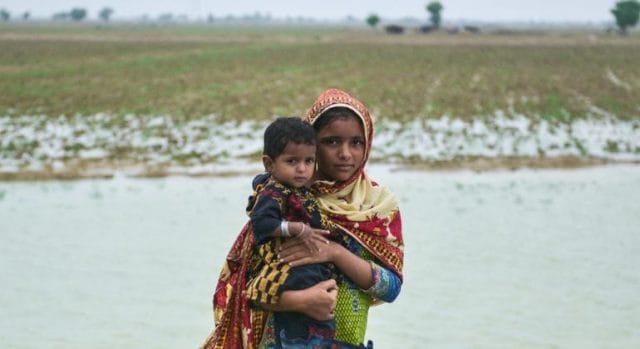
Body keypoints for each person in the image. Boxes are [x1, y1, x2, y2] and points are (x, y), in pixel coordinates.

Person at [202, 89, 404, 349]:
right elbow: (245, 287)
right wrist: (300, 301)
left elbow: (392, 288)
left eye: (356, 142)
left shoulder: (377, 207)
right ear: (311, 144)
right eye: (331, 142)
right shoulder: (285, 201)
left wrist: (335, 254)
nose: (345, 153)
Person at [245, 117, 341, 346]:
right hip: (287, 264)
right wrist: (294, 229)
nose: (302, 169)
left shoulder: (299, 190)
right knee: (298, 330)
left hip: (309, 269)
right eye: (292, 161)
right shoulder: (273, 192)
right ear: (269, 164)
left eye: (309, 161)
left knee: (319, 326)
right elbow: (261, 223)